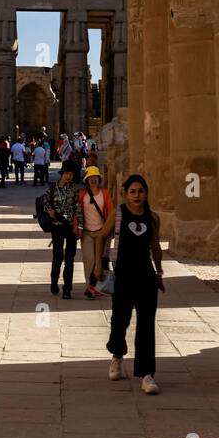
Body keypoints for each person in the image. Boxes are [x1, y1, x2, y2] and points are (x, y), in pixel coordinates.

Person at [95, 173, 163, 394]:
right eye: (132, 192)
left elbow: (155, 247)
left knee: (146, 324)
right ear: (125, 194)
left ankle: (146, 374)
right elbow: (101, 237)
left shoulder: (152, 218)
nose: (137, 195)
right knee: (120, 319)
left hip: (146, 275)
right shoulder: (119, 213)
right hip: (123, 274)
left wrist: (159, 272)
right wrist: (98, 265)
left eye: (140, 191)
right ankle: (117, 355)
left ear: (146, 194)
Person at [41, 161, 82, 299]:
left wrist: (78, 225)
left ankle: (67, 288)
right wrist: (50, 210)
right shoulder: (52, 188)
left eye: (71, 174)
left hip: (70, 227)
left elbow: (78, 208)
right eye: (67, 174)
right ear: (62, 174)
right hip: (57, 227)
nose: (69, 176)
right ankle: (54, 281)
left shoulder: (74, 189)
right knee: (57, 256)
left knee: (70, 258)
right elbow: (44, 202)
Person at [78, 166, 113, 299]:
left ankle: (97, 286)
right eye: (90, 178)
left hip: (102, 232)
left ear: (99, 179)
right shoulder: (82, 194)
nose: (93, 180)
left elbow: (110, 211)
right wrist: (77, 227)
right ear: (87, 180)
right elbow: (77, 212)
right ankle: (90, 286)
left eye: (95, 178)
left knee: (101, 260)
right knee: (89, 259)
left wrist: (109, 229)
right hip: (87, 232)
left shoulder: (105, 193)